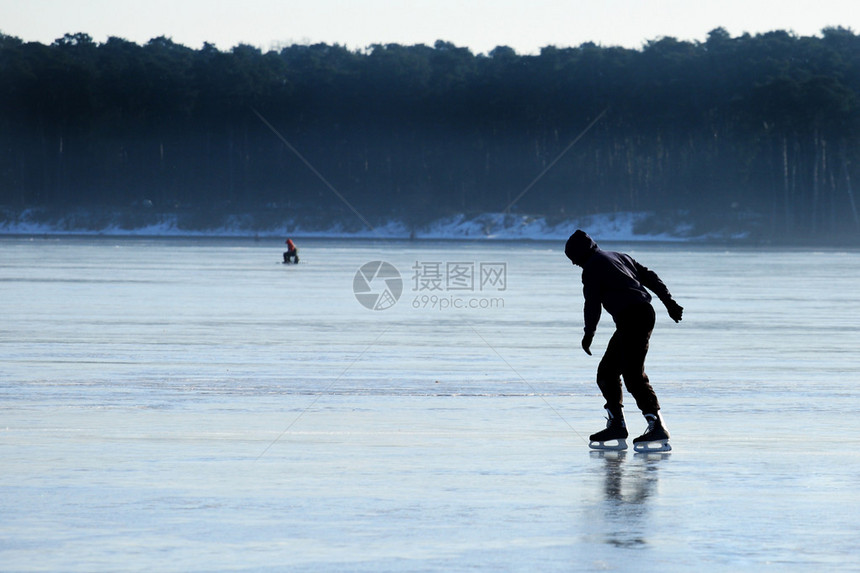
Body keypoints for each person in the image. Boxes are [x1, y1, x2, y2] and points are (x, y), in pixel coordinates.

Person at [564, 229, 683, 452]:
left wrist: (589, 333)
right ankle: (617, 425)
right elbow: (650, 277)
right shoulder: (620, 256)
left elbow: (592, 303)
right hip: (642, 314)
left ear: (580, 254)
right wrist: (669, 302)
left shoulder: (591, 267)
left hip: (634, 317)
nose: (573, 264)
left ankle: (657, 425)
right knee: (607, 372)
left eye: (573, 259)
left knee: (632, 373)